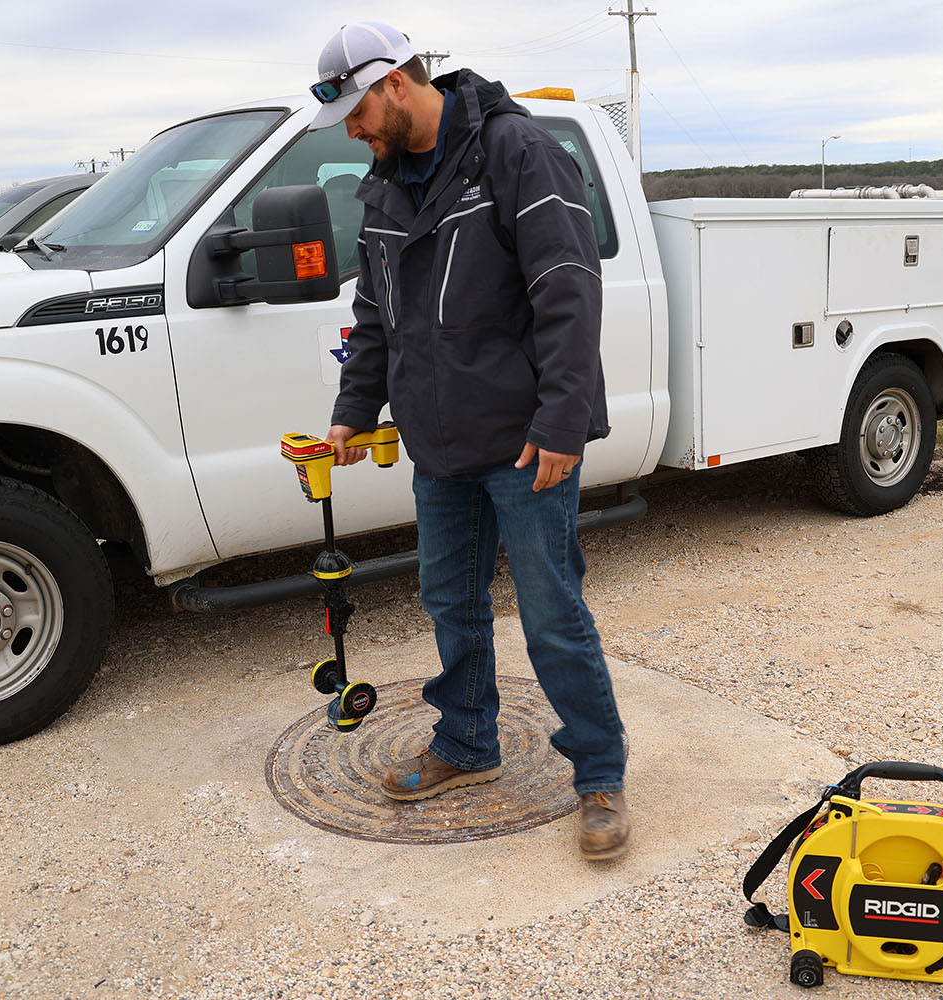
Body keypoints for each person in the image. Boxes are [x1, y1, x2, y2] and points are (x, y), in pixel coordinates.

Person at [309, 20, 629, 860]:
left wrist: (562, 421)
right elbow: (375, 320)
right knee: (449, 601)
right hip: (439, 446)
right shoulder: (382, 189)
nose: (353, 129)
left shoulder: (515, 151)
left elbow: (569, 290)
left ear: (397, 83)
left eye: (356, 110)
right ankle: (467, 743)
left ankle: (599, 772)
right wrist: (354, 412)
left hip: (526, 444)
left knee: (553, 613)